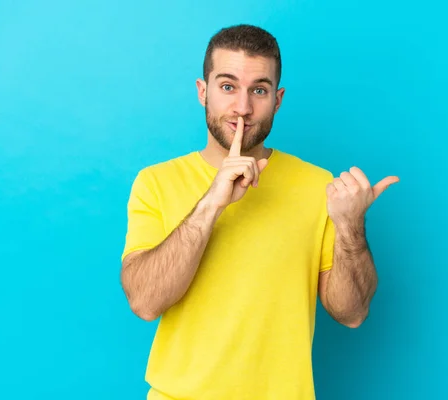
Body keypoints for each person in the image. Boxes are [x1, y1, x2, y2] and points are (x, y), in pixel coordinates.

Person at [120, 24, 399, 400]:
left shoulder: (318, 186)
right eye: (228, 86)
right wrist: (212, 202)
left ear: (278, 99)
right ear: (203, 92)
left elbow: (352, 313)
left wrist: (350, 226)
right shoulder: (156, 182)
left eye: (259, 90)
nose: (243, 107)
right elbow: (145, 302)